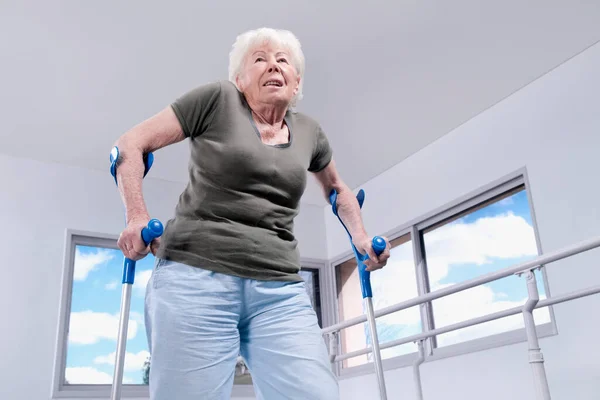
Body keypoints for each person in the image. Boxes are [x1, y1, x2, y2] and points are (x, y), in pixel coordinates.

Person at [113, 27, 391, 400]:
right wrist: (136, 215)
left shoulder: (310, 131)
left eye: (283, 60)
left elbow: (338, 190)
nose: (273, 65)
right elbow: (131, 144)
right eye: (259, 59)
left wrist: (359, 237)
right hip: (195, 278)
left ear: (296, 84)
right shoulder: (217, 99)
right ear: (240, 79)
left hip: (280, 290)